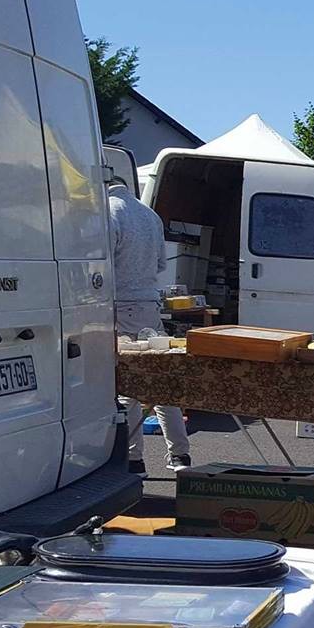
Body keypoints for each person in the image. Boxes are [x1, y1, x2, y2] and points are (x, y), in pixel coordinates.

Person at [108, 179, 191, 473]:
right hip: (148, 303)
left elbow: (98, 265)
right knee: (160, 380)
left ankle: (133, 459)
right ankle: (180, 454)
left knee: (128, 386)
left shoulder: (108, 212)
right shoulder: (149, 215)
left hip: (119, 306)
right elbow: (159, 265)